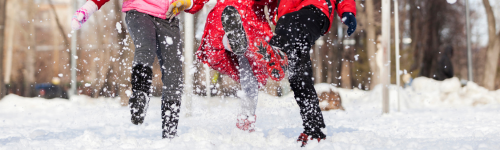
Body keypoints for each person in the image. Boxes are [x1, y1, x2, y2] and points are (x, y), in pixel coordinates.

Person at [167, 0, 287, 132]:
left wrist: (278, 14)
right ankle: (247, 118)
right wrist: (187, 3)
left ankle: (236, 42)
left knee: (247, 74)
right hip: (240, 19)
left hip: (238, 18)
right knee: (249, 72)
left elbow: (272, 4)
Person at [71, 0, 185, 139]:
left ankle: (170, 132)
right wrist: (88, 8)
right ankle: (140, 94)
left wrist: (189, 3)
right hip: (139, 10)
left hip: (169, 15)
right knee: (145, 48)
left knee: (174, 71)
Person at [261, 0, 357, 146]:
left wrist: (347, 10)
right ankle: (314, 128)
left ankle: (278, 52)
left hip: (315, 9)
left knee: (291, 24)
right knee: (298, 77)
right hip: (286, 20)